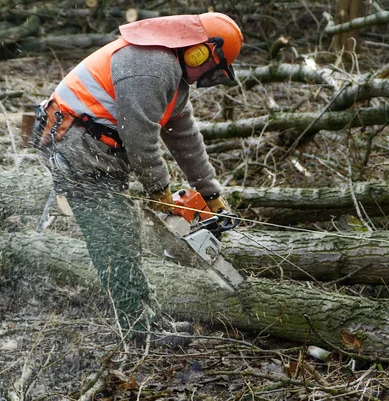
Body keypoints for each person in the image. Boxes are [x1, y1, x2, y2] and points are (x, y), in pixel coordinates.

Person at [30, 13, 244, 347]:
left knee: (121, 229)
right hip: (76, 146)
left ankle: (142, 317)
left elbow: (183, 135)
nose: (208, 76)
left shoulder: (171, 74)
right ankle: (139, 331)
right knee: (115, 233)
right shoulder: (153, 65)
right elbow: (140, 137)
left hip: (94, 148)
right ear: (200, 51)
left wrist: (210, 191)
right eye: (213, 68)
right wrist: (160, 191)